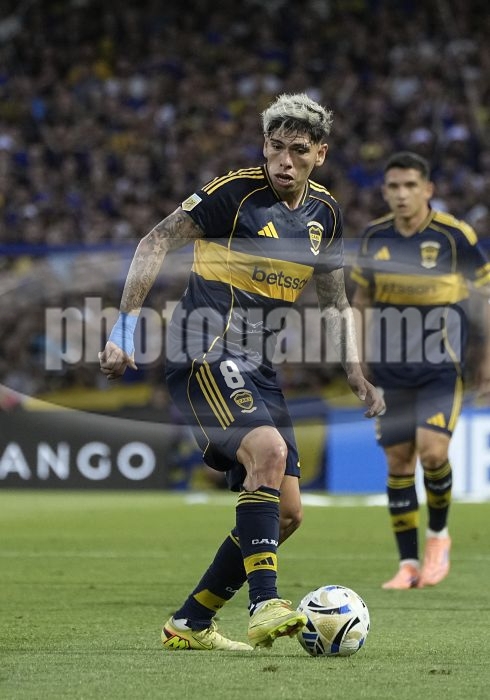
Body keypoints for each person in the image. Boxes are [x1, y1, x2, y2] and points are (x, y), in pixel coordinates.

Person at [99, 93, 385, 650]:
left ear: (320, 154)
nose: (284, 161)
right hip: (203, 349)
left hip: (259, 366)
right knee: (269, 453)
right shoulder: (233, 194)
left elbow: (334, 302)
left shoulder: (325, 215)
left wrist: (355, 372)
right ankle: (264, 604)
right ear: (264, 147)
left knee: (288, 514)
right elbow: (155, 240)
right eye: (275, 147)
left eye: (297, 150)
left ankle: (190, 623)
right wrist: (124, 328)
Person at [351, 150, 490, 590]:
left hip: (440, 368)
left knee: (432, 454)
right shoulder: (374, 238)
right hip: (390, 371)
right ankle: (408, 564)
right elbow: (362, 302)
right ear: (384, 191)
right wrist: (357, 363)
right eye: (393, 186)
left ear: (427, 189)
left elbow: (484, 297)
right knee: (398, 462)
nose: (401, 194)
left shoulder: (454, 236)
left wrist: (486, 361)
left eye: (410, 185)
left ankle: (438, 537)